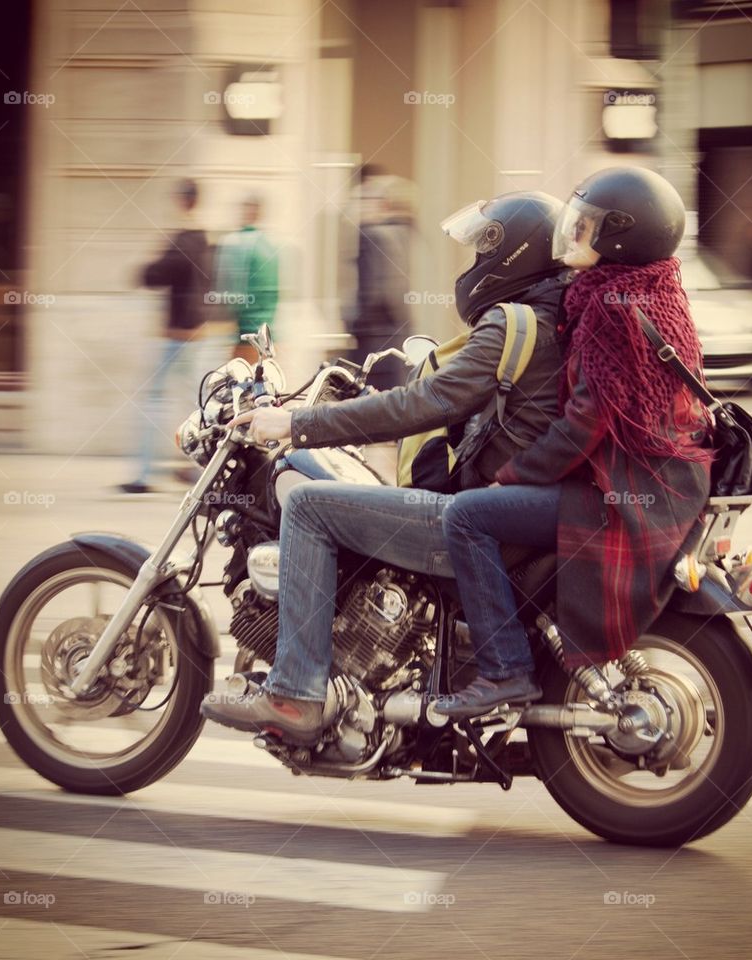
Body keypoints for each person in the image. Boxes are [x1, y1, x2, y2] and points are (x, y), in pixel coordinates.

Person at [200, 191, 570, 743]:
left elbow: (424, 403)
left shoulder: (513, 323)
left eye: (482, 250)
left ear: (512, 253)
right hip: (513, 507)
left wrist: (298, 423)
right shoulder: (553, 315)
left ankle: (296, 692)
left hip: (476, 516)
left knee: (306, 505)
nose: (474, 266)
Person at [435, 167, 713, 717]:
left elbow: (584, 425)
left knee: (468, 516)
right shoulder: (652, 294)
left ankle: (504, 671)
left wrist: (508, 477)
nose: (571, 236)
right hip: (665, 482)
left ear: (620, 238)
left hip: (627, 494)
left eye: (585, 226)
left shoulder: (610, 312)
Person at [120, 178, 210, 495]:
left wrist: (148, 263)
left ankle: (144, 474)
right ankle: (190, 467)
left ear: (181, 200)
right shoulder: (204, 239)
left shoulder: (184, 239)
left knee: (153, 399)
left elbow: (154, 274)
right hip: (195, 333)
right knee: (187, 402)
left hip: (176, 334)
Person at [344, 175, 417, 391]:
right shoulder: (406, 234)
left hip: (372, 342)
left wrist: (351, 323)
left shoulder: (371, 235)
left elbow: (373, 294)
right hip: (398, 338)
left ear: (383, 203)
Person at [212, 191, 280, 364]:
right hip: (269, 334)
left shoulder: (237, 243)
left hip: (246, 333)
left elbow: (231, 291)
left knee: (238, 383)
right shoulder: (270, 245)